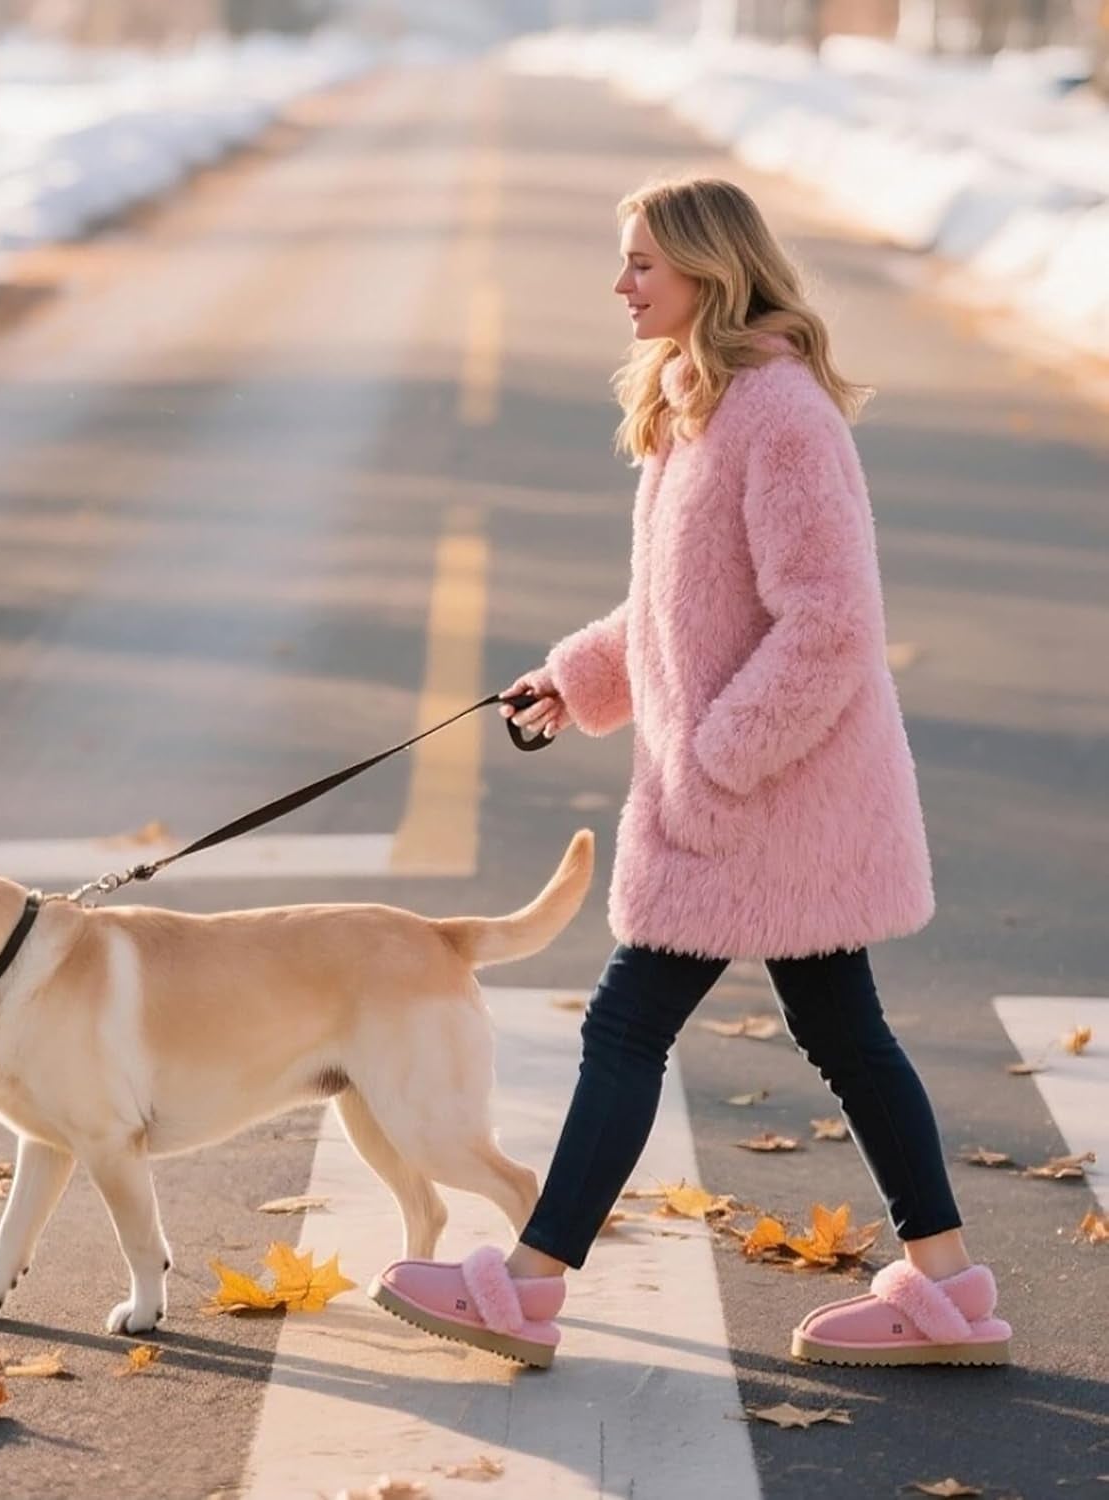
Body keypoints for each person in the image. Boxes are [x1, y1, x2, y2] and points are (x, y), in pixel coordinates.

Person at [368, 176, 1011, 1372]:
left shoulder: (781, 415)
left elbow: (827, 624)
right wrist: (580, 676)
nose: (621, 285)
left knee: (624, 1026)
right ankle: (952, 1289)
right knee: (846, 1035)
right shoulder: (698, 404)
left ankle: (527, 1285)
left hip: (763, 796)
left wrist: (716, 765)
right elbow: (685, 612)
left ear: (709, 274)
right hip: (757, 797)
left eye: (641, 266)